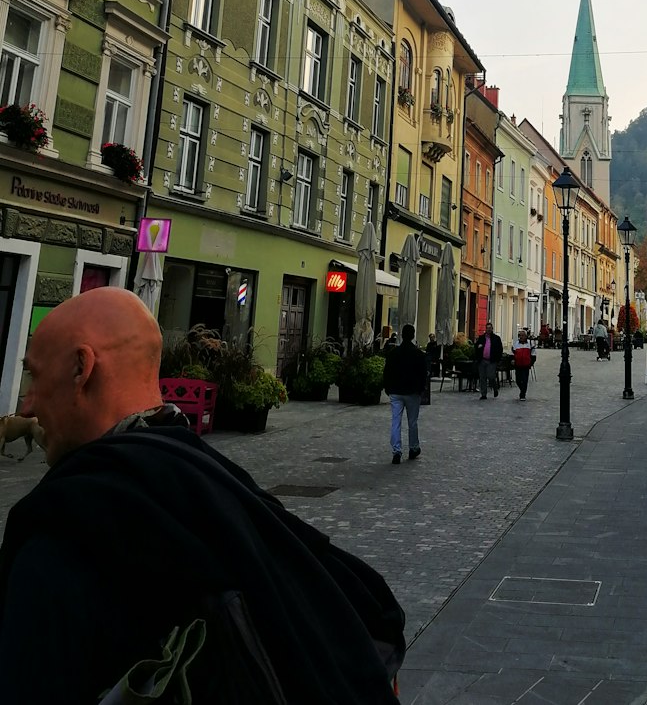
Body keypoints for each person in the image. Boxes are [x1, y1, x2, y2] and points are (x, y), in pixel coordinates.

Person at [0, 288, 404, 704]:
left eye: (34, 376)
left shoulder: (68, 533)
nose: (27, 405)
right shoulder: (222, 485)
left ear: (82, 369)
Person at [382, 323, 427, 464]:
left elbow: (387, 371)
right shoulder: (418, 354)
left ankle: (396, 451)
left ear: (402, 335)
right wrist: (420, 389)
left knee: (396, 421)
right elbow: (423, 374)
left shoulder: (394, 353)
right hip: (412, 392)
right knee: (412, 422)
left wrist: (388, 388)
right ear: (413, 335)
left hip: (395, 391)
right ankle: (413, 448)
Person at [474, 321, 504, 399]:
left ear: (492, 329)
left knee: (491, 376)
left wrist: (497, 359)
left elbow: (500, 349)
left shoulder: (496, 338)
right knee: (482, 377)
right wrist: (478, 350)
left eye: (490, 328)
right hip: (482, 360)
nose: (489, 330)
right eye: (487, 328)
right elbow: (476, 348)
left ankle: (495, 387)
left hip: (492, 361)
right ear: (485, 329)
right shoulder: (481, 338)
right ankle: (483, 394)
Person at [512, 331, 533, 399]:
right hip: (518, 365)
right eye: (520, 335)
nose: (521, 337)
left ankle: (523, 394)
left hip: (526, 365)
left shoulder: (530, 344)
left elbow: (533, 355)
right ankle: (522, 390)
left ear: (526, 336)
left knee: (524, 380)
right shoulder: (516, 344)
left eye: (522, 335)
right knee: (518, 380)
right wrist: (513, 360)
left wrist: (531, 363)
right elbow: (513, 353)